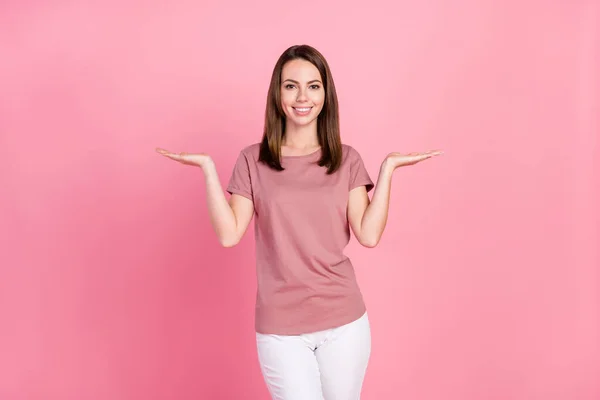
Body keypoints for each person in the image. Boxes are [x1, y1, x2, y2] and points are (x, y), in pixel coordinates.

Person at [156, 44, 441, 400]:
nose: (302, 96)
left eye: (313, 85)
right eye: (291, 85)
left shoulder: (346, 159)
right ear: (277, 94)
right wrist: (208, 170)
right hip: (280, 329)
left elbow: (368, 234)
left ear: (326, 94)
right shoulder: (253, 160)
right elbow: (230, 234)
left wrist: (388, 170)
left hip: (345, 323)